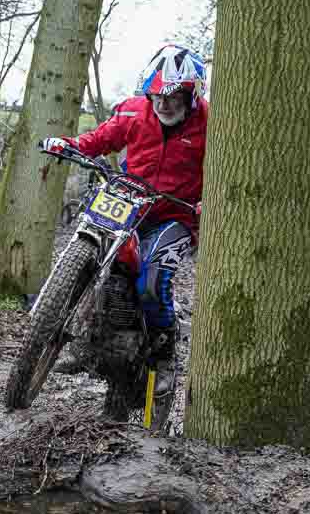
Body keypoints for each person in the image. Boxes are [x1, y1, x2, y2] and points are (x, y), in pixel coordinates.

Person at [41, 44, 208, 393]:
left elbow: (225, 171)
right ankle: (83, 341)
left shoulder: (212, 126)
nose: (162, 104)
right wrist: (68, 145)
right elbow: (101, 139)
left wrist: (211, 201)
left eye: (173, 96)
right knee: (103, 260)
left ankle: (164, 355)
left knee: (151, 279)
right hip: (130, 201)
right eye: (155, 96)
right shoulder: (134, 112)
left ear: (191, 95)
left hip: (175, 214)